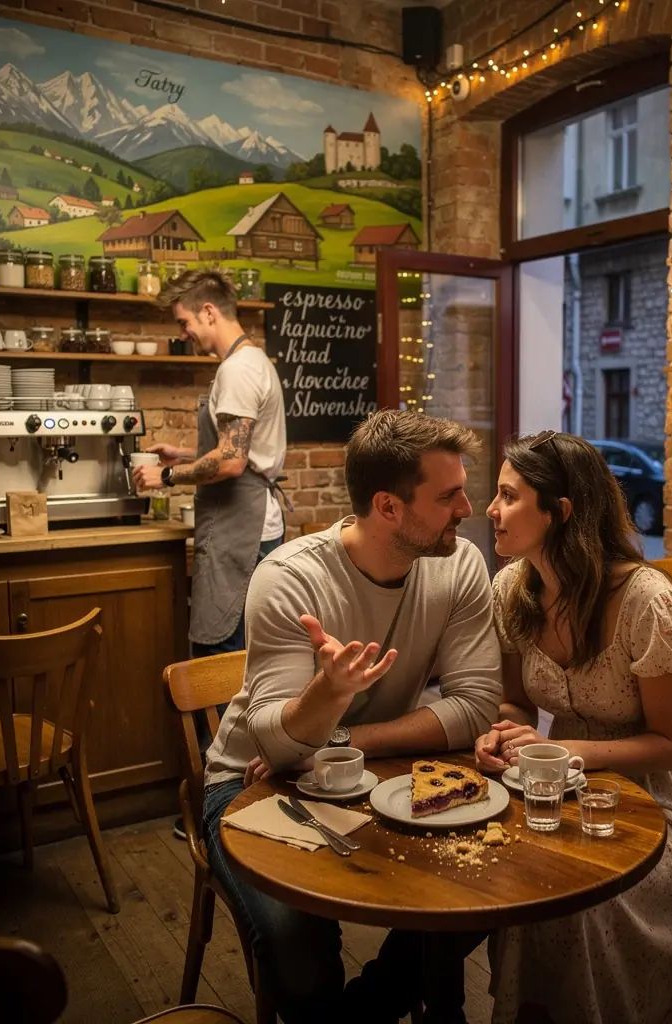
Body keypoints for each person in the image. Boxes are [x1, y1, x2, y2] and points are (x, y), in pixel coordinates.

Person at [202, 409, 500, 1024]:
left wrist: (340, 732)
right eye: (448, 496)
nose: (469, 509)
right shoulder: (289, 577)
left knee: (477, 896)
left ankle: (356, 1016)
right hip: (252, 785)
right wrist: (326, 693)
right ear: (389, 507)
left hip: (377, 769)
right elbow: (275, 749)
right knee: (296, 944)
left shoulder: (461, 564)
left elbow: (474, 707)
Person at [477, 430, 672, 1024]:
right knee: (519, 880)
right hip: (564, 788)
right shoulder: (512, 590)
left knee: (578, 902)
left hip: (667, 802)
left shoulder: (645, 600)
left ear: (560, 512)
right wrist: (505, 734)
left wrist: (562, 748)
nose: (490, 510)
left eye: (507, 496)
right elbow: (517, 704)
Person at [132, 268, 287, 840]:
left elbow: (231, 462)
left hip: (242, 528)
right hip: (242, 525)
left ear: (208, 313)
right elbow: (226, 449)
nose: (185, 334)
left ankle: (215, 810)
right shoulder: (250, 363)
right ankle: (233, 802)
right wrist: (185, 449)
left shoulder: (239, 369)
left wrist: (166, 472)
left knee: (219, 665)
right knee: (233, 662)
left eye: (184, 323)